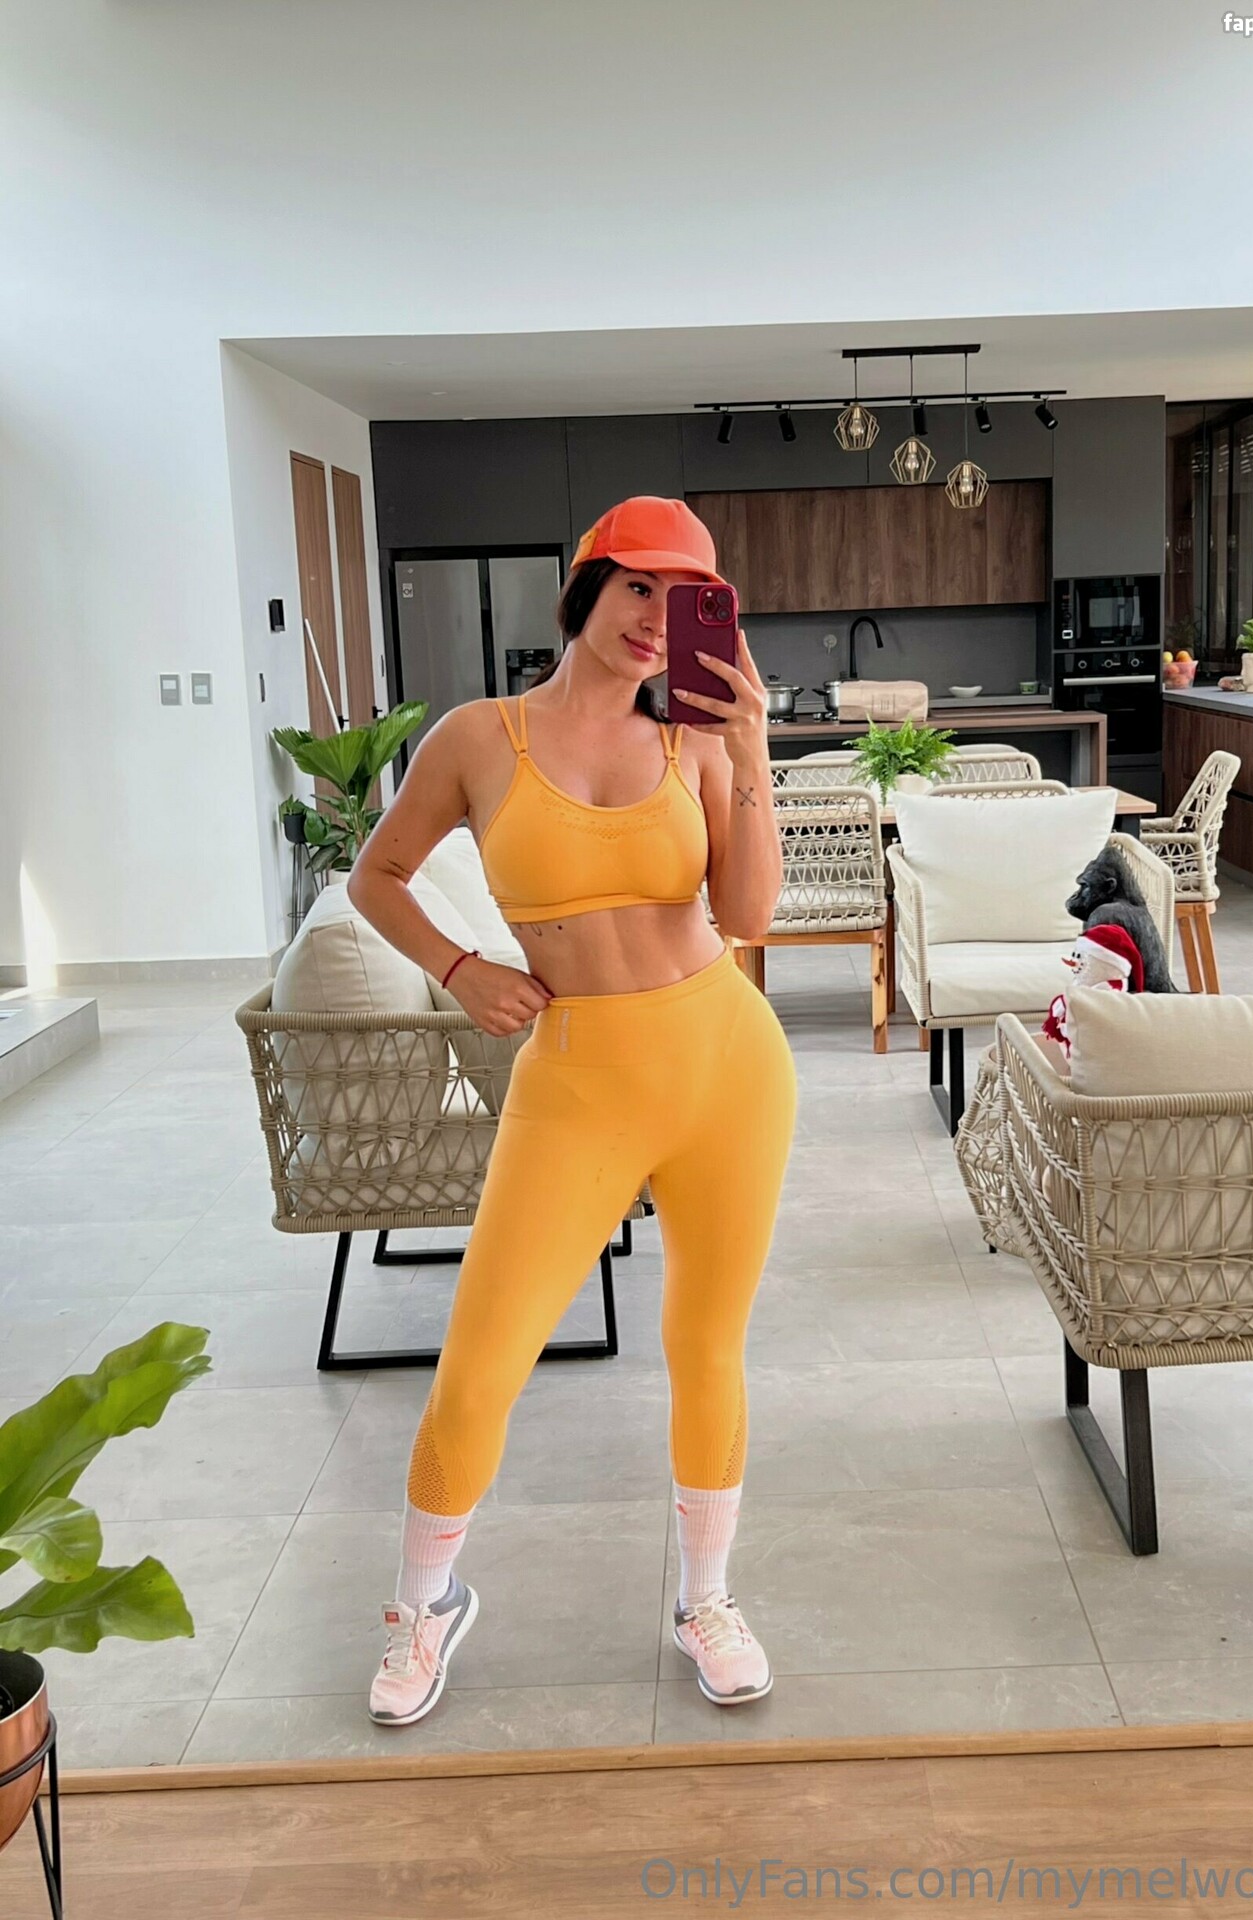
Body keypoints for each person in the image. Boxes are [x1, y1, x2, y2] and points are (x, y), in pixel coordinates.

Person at [347, 497, 798, 1725]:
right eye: (638, 587)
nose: (657, 618)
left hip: (725, 1067)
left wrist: (751, 750)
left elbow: (748, 916)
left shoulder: (696, 740)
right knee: (481, 1360)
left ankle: (705, 1598)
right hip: (576, 1080)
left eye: (686, 597)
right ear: (586, 587)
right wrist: (459, 969)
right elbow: (377, 875)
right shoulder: (478, 738)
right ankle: (424, 1608)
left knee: (705, 1345)